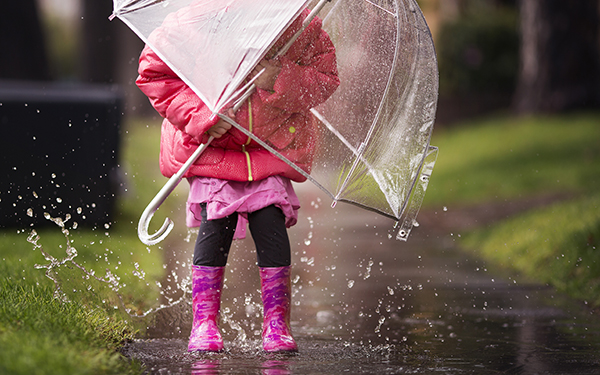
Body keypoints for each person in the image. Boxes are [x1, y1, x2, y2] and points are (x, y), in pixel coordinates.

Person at [136, 5, 339, 353]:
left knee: (270, 222)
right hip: (214, 148)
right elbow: (156, 76)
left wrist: (279, 77)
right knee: (216, 225)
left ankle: (277, 324)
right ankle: (204, 323)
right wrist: (200, 117)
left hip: (267, 148)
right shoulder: (191, 24)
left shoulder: (299, 26)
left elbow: (324, 80)